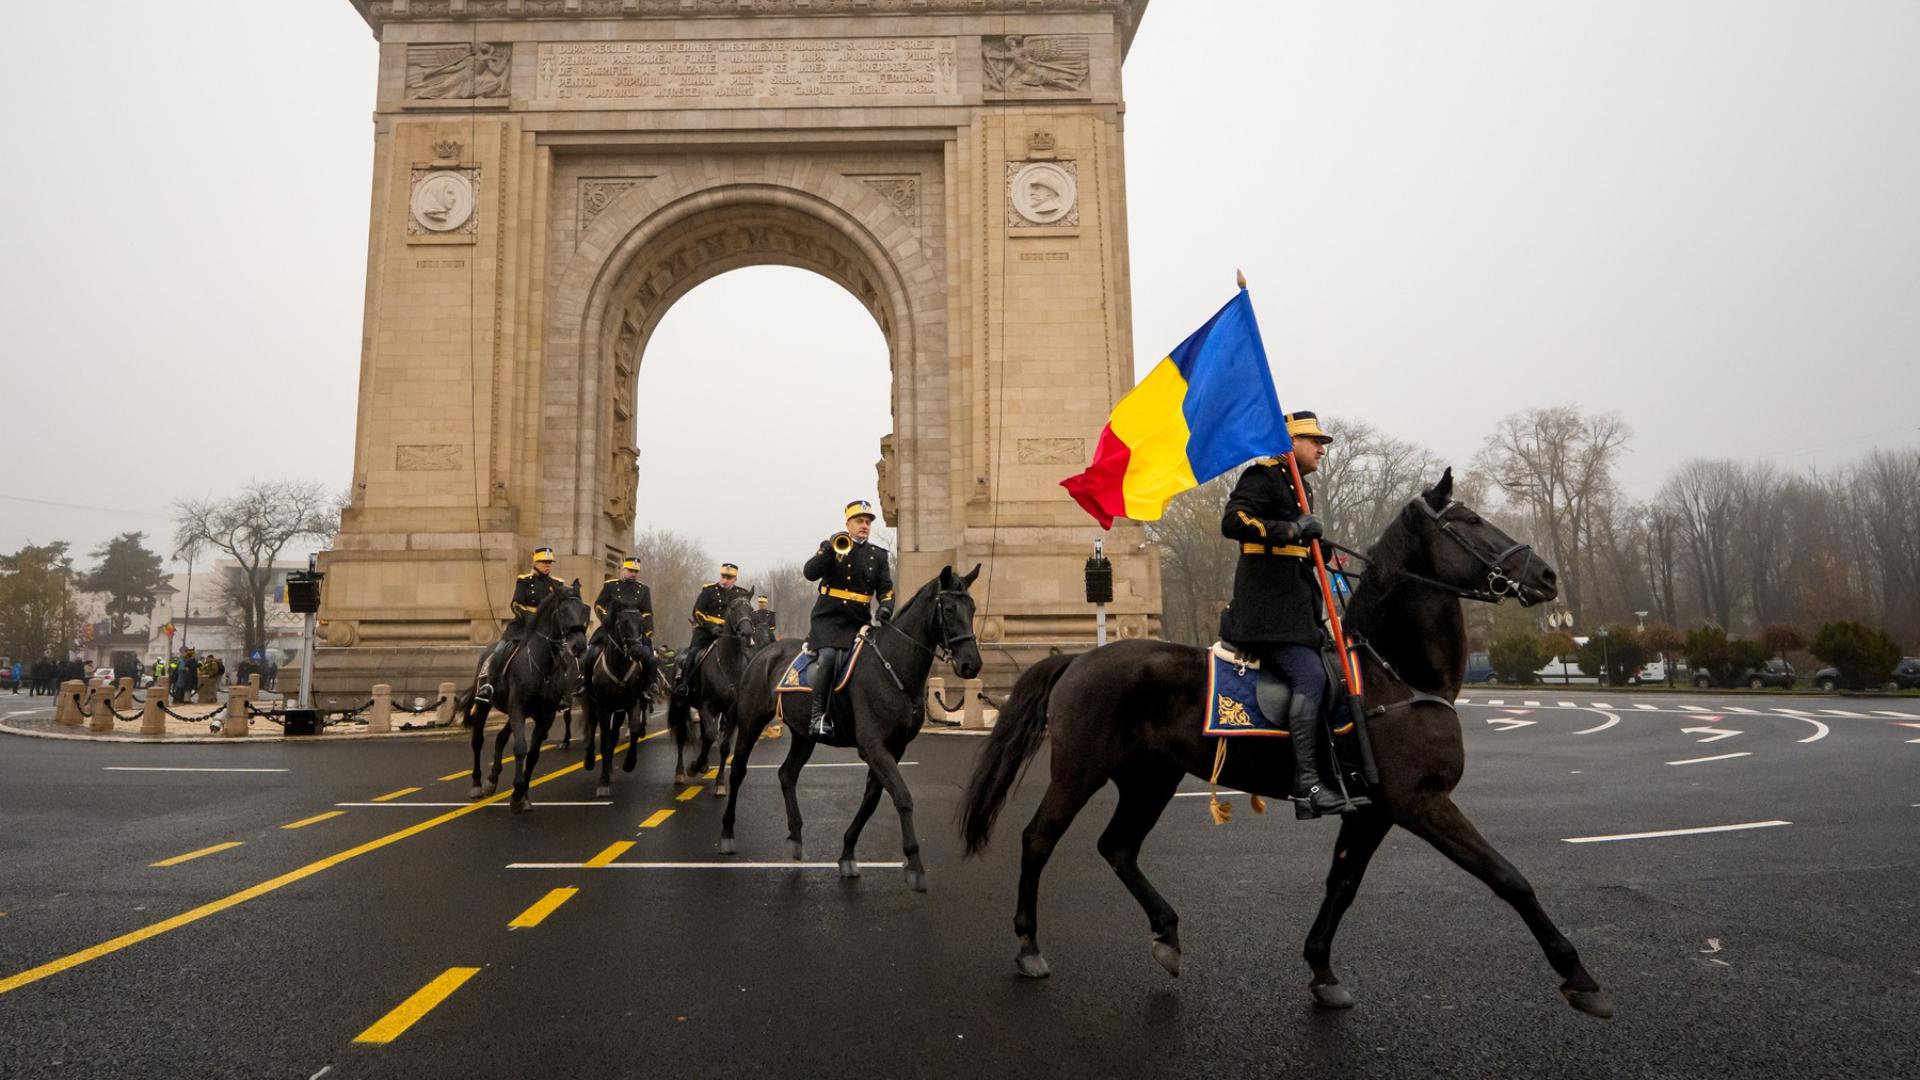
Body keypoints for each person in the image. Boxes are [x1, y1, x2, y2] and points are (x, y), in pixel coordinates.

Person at [1218, 410, 1345, 819]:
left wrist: (1318, 545)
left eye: (1322, 443)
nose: (1321, 449)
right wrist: (1291, 530)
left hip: (1295, 612)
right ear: (1290, 442)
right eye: (1315, 441)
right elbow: (1234, 521)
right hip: (1268, 614)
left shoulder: (1299, 486)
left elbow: (1298, 548)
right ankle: (1307, 785)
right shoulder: (1264, 476)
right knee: (1310, 678)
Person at [801, 500, 894, 738]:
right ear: (848, 524)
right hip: (829, 619)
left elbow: (885, 590)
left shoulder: (878, 555)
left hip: (858, 621)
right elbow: (810, 573)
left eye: (868, 522)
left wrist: (885, 608)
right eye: (859, 521)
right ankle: (817, 716)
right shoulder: (832, 546)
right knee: (829, 657)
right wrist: (829, 550)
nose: (864, 526)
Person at [477, 547, 563, 704]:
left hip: (547, 629)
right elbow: (516, 604)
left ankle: (562, 693)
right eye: (544, 562)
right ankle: (488, 685)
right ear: (535, 563)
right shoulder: (524, 580)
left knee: (564, 654)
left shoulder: (557, 583)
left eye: (550, 562)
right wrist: (532, 618)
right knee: (499, 650)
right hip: (523, 626)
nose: (547, 565)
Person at [676, 563, 747, 698]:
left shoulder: (740, 594)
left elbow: (743, 614)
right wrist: (711, 627)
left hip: (730, 634)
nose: (725, 580)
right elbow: (697, 612)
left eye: (729, 578)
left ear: (735, 579)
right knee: (693, 653)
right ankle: (685, 684)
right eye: (723, 577)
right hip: (706, 632)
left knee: (748, 654)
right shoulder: (708, 591)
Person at [582, 556, 655, 684]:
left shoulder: (643, 590)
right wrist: (607, 620)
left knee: (650, 658)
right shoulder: (611, 586)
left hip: (635, 633)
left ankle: (649, 686)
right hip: (611, 630)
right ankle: (585, 684)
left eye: (636, 571)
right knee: (590, 653)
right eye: (630, 570)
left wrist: (646, 632)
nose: (633, 574)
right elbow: (599, 605)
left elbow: (647, 613)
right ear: (623, 570)